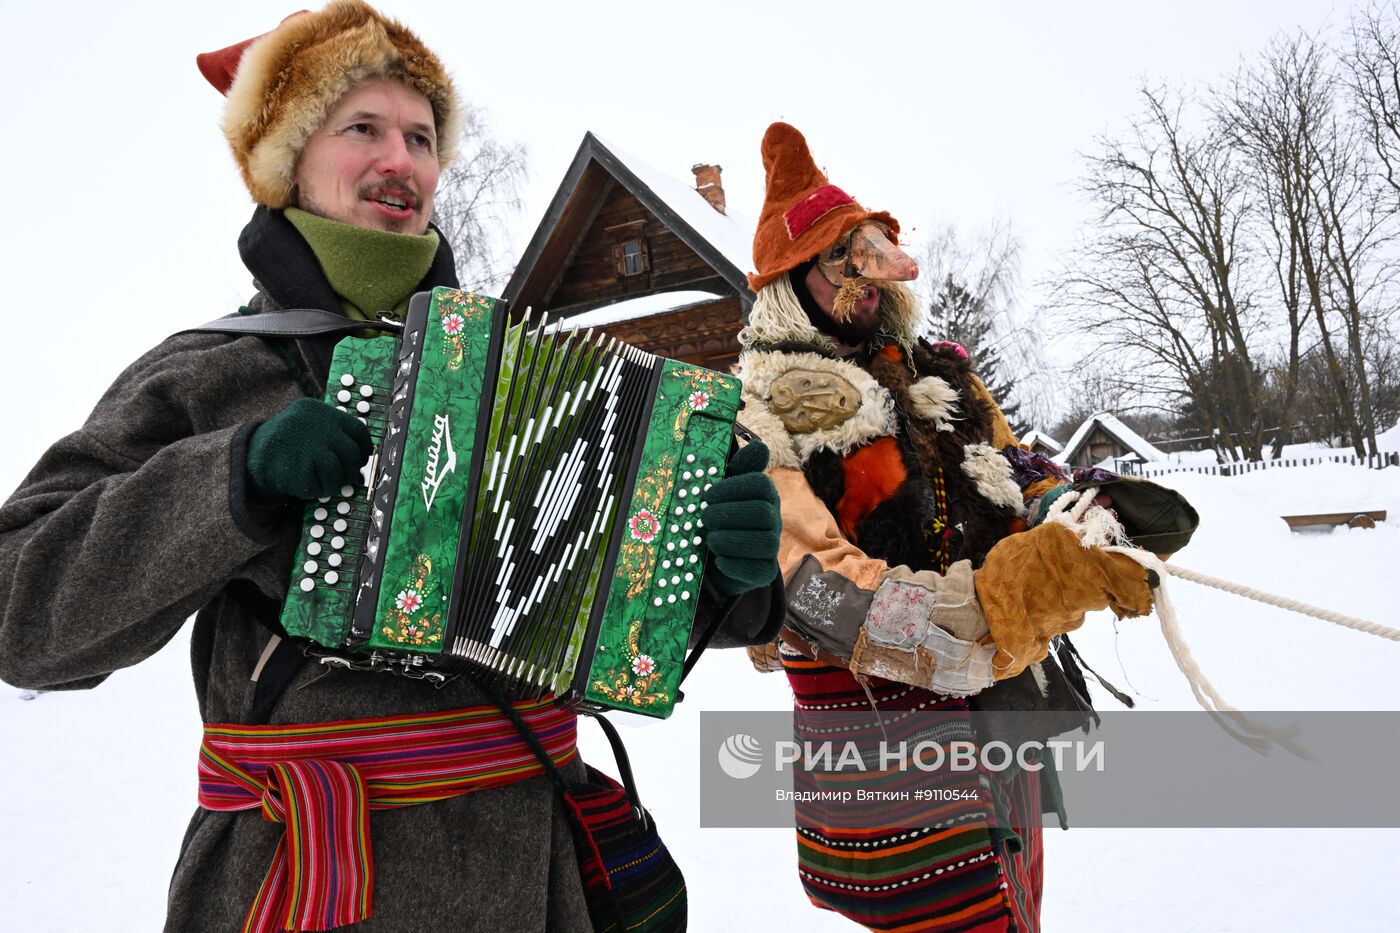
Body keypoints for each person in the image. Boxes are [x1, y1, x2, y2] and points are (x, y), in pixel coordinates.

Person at [0, 4, 781, 931]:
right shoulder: (212, 373)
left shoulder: (512, 376)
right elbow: (20, 611)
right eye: (361, 129)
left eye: (420, 137)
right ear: (286, 162)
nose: (401, 161)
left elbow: (599, 615)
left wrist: (730, 577)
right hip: (310, 878)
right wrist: (233, 477)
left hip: (533, 875)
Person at [735, 122, 1158, 932]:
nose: (862, 279)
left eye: (866, 254)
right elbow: (814, 588)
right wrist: (998, 600)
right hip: (889, 757)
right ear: (792, 281)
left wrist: (1069, 512)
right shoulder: (763, 416)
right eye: (838, 259)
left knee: (1018, 902)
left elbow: (1011, 463)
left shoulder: (939, 371)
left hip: (998, 716)